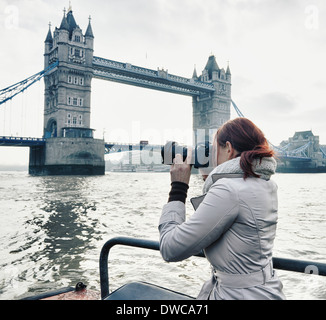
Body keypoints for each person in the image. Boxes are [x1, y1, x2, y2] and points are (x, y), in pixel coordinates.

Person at [158, 118, 286, 300]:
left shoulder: (229, 190)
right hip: (263, 290)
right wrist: (211, 181)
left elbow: (170, 248)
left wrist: (178, 188)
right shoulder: (263, 183)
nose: (210, 157)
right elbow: (219, 230)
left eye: (213, 149)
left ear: (228, 148)